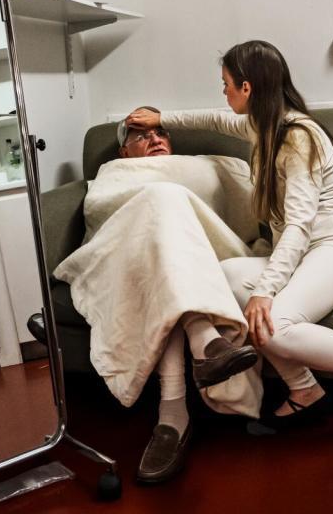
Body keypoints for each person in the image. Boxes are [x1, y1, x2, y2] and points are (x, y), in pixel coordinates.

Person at [125, 41, 333, 447]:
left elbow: (299, 224)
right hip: (302, 251)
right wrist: (162, 117)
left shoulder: (299, 138)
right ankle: (305, 391)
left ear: (246, 87)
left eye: (226, 84)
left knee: (273, 325)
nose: (223, 92)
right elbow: (212, 120)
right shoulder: (262, 126)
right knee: (223, 277)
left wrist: (265, 291)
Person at [64, 107, 260, 483]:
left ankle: (172, 416)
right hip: (131, 251)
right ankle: (206, 343)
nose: (155, 139)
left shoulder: (197, 165)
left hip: (199, 247)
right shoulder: (113, 175)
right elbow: (102, 212)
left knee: (165, 214)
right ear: (123, 154)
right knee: (159, 227)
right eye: (141, 136)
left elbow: (235, 205)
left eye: (161, 134)